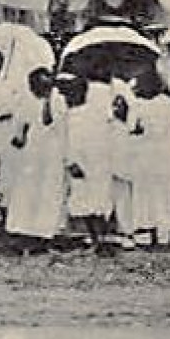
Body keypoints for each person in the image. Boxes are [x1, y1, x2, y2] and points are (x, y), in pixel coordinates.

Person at [0, 68, 68, 249]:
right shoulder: (26, 102)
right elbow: (19, 133)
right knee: (27, 191)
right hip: (32, 152)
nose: (37, 89)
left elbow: (53, 123)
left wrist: (47, 99)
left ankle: (47, 232)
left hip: (54, 151)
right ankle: (24, 229)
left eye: (43, 85)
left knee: (50, 191)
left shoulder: (59, 101)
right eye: (35, 85)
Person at [124, 70, 170, 248]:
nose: (139, 89)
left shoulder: (165, 103)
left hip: (164, 157)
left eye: (141, 85)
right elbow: (131, 128)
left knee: (167, 196)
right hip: (145, 157)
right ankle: (152, 236)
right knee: (149, 197)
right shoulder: (137, 104)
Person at [61, 72, 114, 248]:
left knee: (100, 199)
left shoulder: (95, 113)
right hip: (79, 160)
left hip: (98, 160)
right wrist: (71, 162)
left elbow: (105, 135)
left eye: (77, 91)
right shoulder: (68, 115)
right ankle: (94, 237)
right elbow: (67, 142)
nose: (73, 96)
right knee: (84, 200)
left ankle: (102, 239)